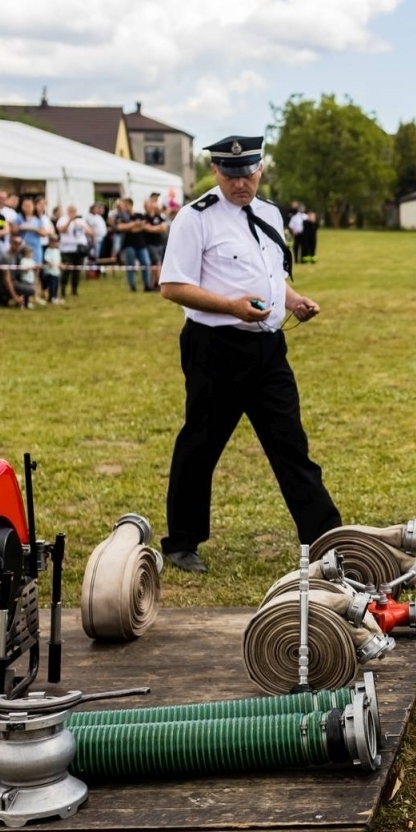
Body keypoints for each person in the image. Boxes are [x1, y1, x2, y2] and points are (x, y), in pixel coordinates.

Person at [157, 134, 341, 574]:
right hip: (215, 348)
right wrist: (232, 306)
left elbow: (271, 274)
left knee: (291, 444)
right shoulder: (194, 218)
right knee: (201, 444)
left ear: (261, 169)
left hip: (268, 349)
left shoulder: (269, 213)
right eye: (231, 174)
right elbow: (172, 286)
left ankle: (323, 537)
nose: (242, 183)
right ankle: (182, 541)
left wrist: (293, 300)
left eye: (249, 173)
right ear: (217, 172)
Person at [114, 198, 151, 292]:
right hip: (128, 245)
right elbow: (120, 227)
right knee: (130, 265)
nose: (124, 207)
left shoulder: (139, 215)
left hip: (141, 244)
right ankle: (132, 286)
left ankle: (147, 285)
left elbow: (143, 227)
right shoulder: (120, 216)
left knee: (146, 263)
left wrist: (130, 227)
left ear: (130, 205)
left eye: (125, 205)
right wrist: (135, 224)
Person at [141, 193, 168, 285]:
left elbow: (163, 228)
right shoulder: (144, 217)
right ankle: (160, 283)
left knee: (156, 264)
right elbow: (145, 227)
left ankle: (153, 283)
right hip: (150, 244)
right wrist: (157, 228)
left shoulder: (158, 216)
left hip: (159, 243)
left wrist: (152, 228)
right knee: (157, 263)